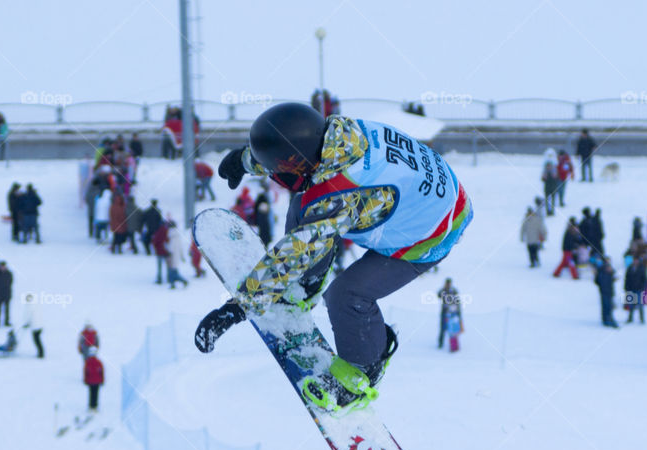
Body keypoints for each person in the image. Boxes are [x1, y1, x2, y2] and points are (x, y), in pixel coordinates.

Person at [198, 103, 473, 409]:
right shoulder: (336, 138)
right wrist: (245, 160)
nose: (278, 178)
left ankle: (361, 374)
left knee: (347, 295)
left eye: (280, 173)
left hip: (431, 231)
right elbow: (297, 157)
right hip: (424, 196)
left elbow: (298, 249)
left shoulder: (343, 193)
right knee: (304, 204)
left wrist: (239, 306)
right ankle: (303, 286)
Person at [624, 257, 647, 324]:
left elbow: (644, 279)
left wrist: (642, 288)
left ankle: (642, 318)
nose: (635, 262)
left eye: (636, 260)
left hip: (639, 289)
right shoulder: (629, 268)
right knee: (631, 304)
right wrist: (626, 288)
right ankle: (630, 318)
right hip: (631, 289)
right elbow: (626, 279)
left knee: (640, 304)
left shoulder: (642, 268)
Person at [164, 220, 189, 288]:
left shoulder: (171, 234)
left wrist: (168, 253)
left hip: (172, 255)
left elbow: (171, 246)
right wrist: (182, 256)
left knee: (172, 271)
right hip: (176, 255)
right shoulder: (178, 235)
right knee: (173, 270)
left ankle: (181, 281)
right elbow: (181, 247)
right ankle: (175, 283)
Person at [436, 278, 460, 349]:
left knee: (452, 329)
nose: (448, 285)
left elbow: (457, 301)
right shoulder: (443, 291)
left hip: (452, 312)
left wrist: (457, 312)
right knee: (442, 328)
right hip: (444, 312)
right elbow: (438, 295)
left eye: (449, 283)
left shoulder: (453, 291)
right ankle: (440, 344)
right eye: (447, 283)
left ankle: (454, 345)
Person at [594, 258, 617, 328]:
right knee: (607, 306)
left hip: (609, 290)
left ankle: (607, 319)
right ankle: (607, 320)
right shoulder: (602, 270)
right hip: (604, 291)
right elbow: (597, 281)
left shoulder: (610, 270)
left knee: (608, 306)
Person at [21, 292, 44, 358]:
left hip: (35, 326)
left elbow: (28, 316)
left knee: (37, 341)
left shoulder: (29, 306)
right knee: (38, 340)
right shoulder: (35, 305)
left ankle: (41, 354)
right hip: (39, 326)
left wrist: (26, 323)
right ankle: (41, 353)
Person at [0, 261, 13, 327]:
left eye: (4, 266)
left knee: (7, 309)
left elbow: (10, 282)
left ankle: (6, 321)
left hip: (7, 293)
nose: (3, 267)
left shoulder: (9, 274)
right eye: (2, 266)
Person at [151, 215, 170, 284]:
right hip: (166, 251)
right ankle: (169, 278)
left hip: (159, 251)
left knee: (159, 266)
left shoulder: (158, 231)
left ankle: (159, 279)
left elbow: (155, 241)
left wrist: (155, 248)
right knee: (168, 266)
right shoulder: (167, 231)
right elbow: (168, 240)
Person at [541, 150, 559, 216]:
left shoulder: (554, 171)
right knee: (547, 200)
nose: (549, 167)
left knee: (553, 200)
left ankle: (552, 211)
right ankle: (548, 211)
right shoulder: (545, 172)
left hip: (553, 187)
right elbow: (543, 179)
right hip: (547, 188)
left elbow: (557, 179)